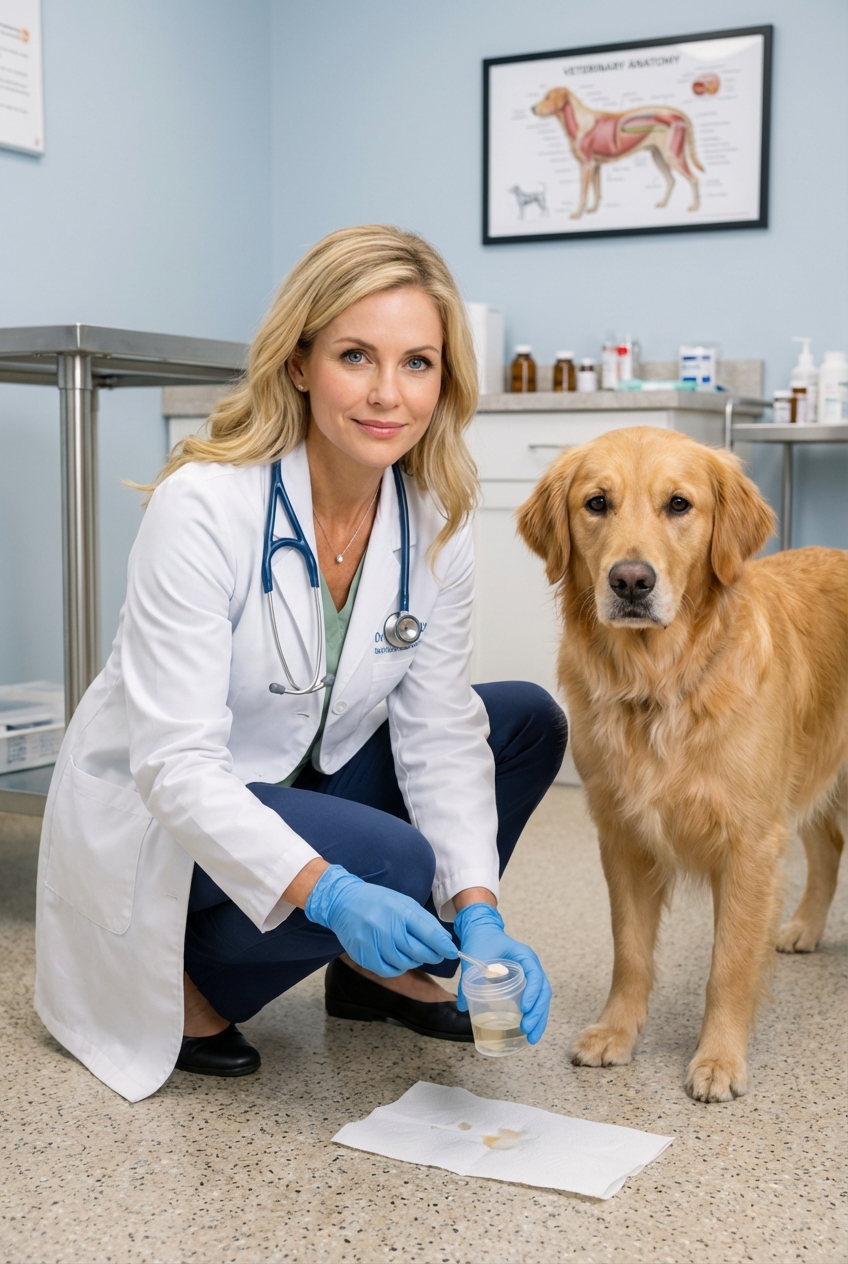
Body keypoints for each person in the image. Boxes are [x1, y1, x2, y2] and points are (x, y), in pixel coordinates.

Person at [35, 225, 567, 1102]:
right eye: (357, 356)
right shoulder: (203, 507)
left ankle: (373, 974)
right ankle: (185, 983)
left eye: (418, 363)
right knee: (390, 862)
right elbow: (176, 767)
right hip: (173, 812)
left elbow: (438, 729)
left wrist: (479, 911)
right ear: (299, 361)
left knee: (520, 721)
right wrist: (332, 895)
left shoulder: (434, 517)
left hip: (298, 776)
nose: (388, 395)